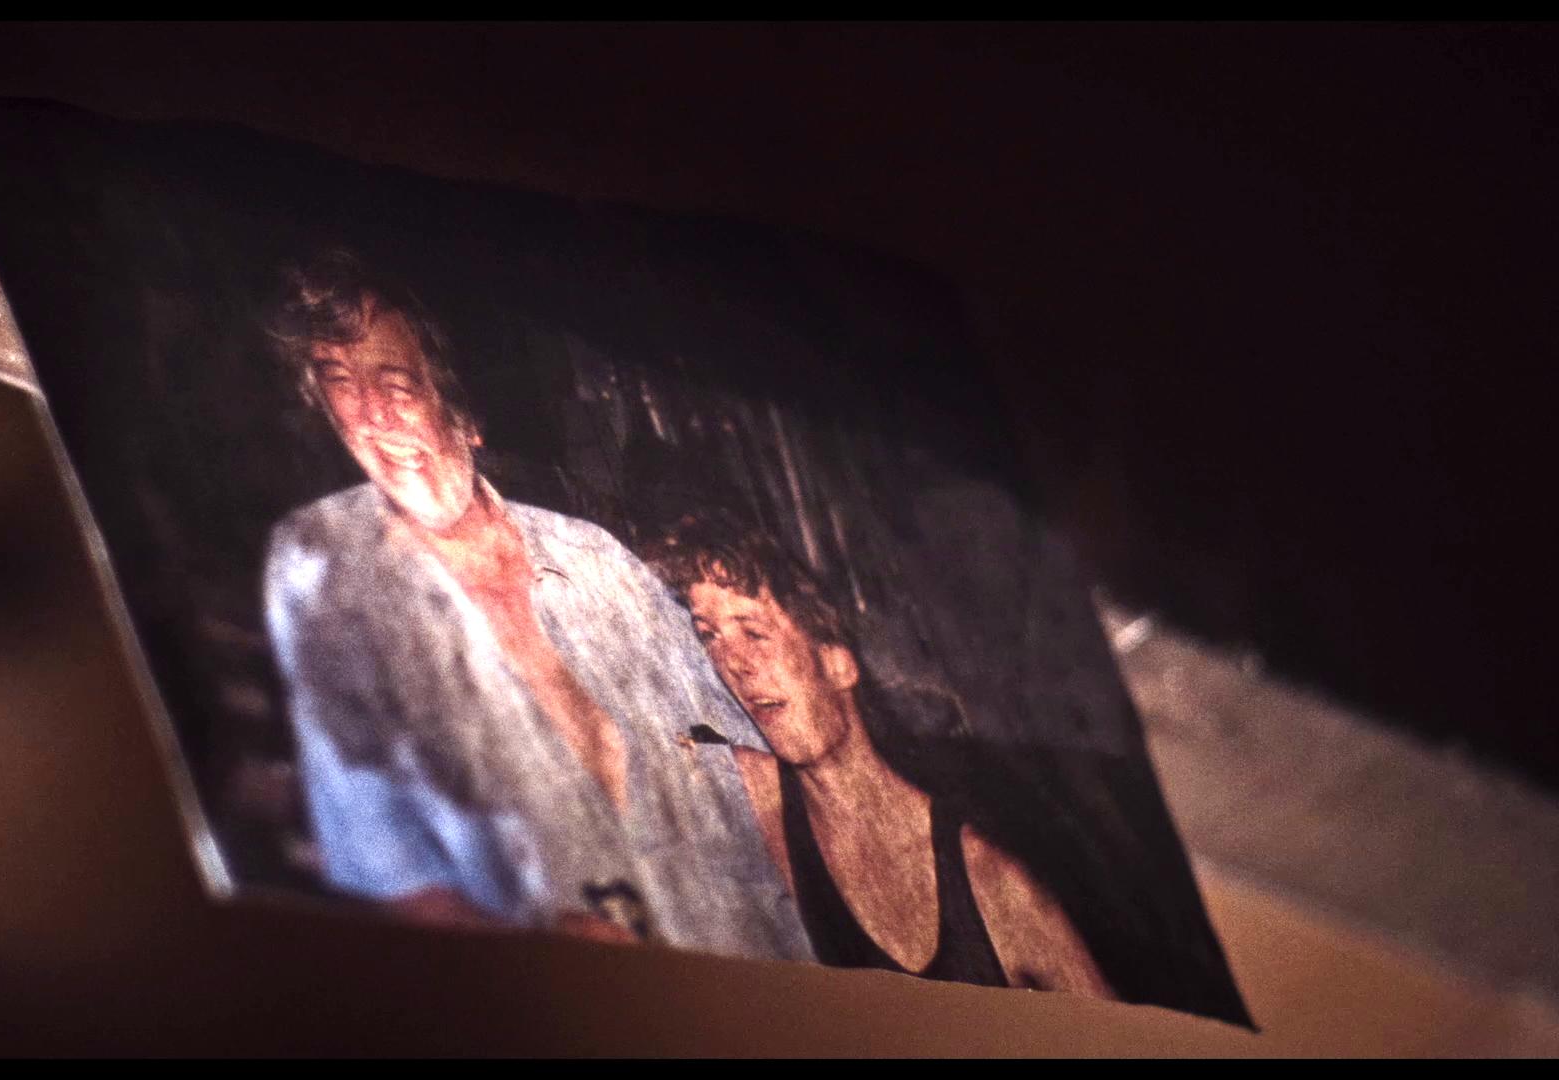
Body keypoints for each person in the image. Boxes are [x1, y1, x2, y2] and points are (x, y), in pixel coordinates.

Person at [259, 250, 811, 961]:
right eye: (341, 384)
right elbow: (384, 868)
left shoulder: (594, 557)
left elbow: (758, 778)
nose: (372, 414)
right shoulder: (323, 567)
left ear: (464, 417)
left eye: (396, 384)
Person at [645, 514, 1117, 996]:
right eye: (710, 636)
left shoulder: (995, 884)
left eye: (754, 632)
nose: (733, 664)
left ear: (838, 661)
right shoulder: (751, 792)